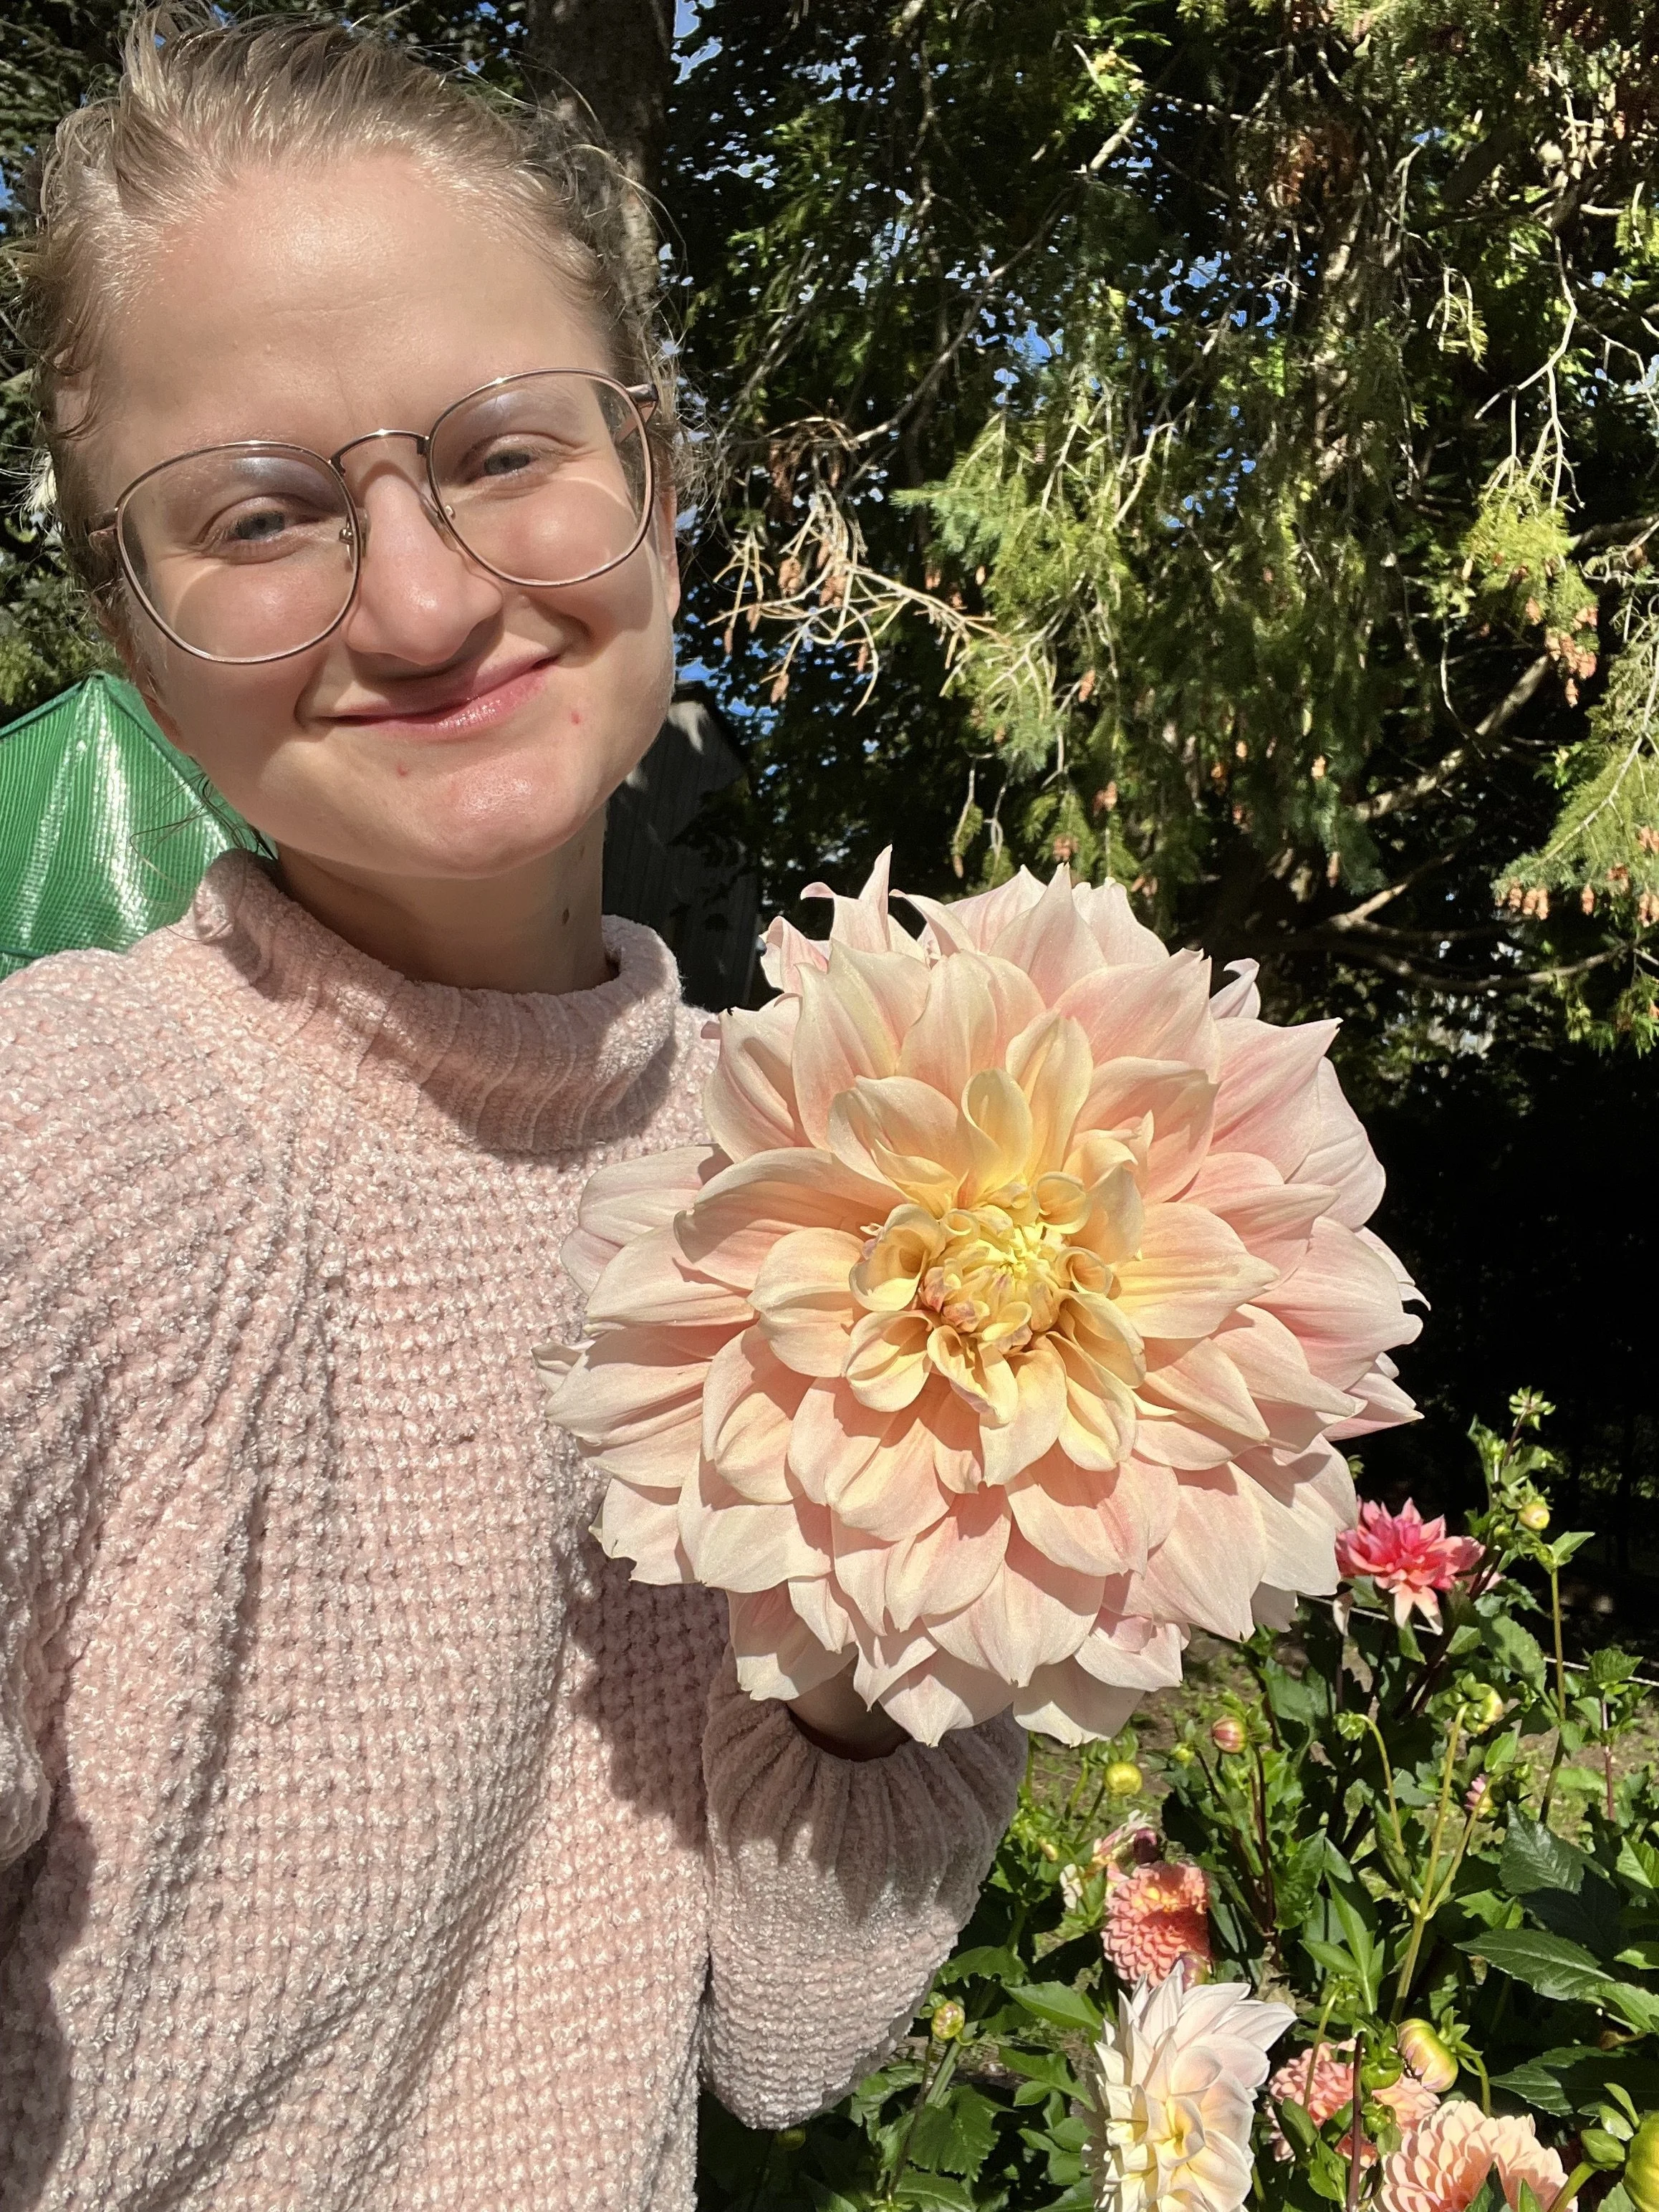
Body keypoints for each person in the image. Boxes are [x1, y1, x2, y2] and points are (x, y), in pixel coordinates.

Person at [0, 17, 1024, 2209]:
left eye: (501, 450)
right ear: (129, 621)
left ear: (660, 467)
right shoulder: (49, 1163)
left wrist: (917, 1598)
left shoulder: (849, 1163)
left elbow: (781, 2032)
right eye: (260, 514)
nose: (432, 596)